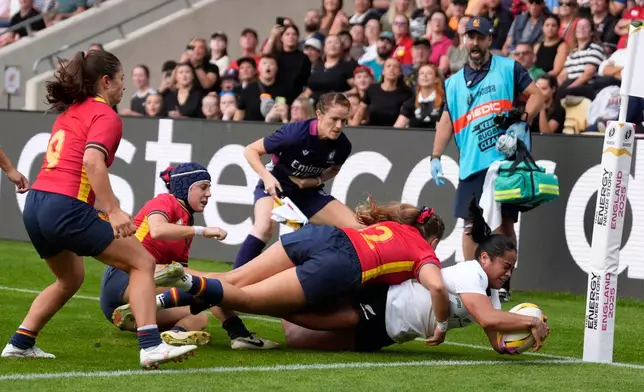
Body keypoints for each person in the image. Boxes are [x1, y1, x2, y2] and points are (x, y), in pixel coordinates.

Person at [0, 50, 200, 369]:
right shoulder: (106, 115)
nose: (124, 87)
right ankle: (150, 346)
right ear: (105, 82)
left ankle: (20, 342)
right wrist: (114, 209)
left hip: (36, 205)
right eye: (121, 80)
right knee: (142, 263)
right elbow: (92, 162)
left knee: (70, 278)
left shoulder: (70, 111)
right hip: (65, 205)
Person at [279, 198, 550, 353]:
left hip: (393, 333)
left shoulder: (492, 299)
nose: (508, 273)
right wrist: (528, 320)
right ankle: (265, 299)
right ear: (484, 258)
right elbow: (486, 318)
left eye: (512, 269)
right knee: (317, 319)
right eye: (505, 266)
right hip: (387, 304)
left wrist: (527, 333)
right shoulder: (472, 273)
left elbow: (498, 343)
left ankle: (274, 301)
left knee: (297, 338)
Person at [187, 197, 452, 346]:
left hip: (322, 236)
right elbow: (437, 287)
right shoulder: (424, 251)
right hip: (341, 264)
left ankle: (170, 281)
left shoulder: (396, 226)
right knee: (248, 298)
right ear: (434, 241)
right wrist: (440, 325)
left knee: (234, 279)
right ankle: (178, 295)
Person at [103, 163, 279, 350]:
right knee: (210, 283)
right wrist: (202, 231)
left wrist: (201, 298)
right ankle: (240, 334)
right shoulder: (165, 200)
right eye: (203, 187)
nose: (209, 194)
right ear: (185, 187)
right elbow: (157, 230)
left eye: (209, 188)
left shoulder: (185, 221)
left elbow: (183, 281)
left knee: (198, 315)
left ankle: (175, 333)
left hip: (120, 303)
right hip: (124, 277)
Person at [429, 17, 544, 302]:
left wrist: (522, 122)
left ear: (489, 40)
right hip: (470, 163)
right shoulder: (453, 82)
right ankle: (473, 284)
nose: (476, 43)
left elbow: (537, 95)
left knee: (504, 226)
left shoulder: (508, 68)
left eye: (481, 37)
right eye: (471, 37)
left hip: (503, 163)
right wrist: (435, 155)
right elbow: (446, 119)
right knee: (470, 227)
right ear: (465, 41)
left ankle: (503, 284)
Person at [233, 92, 361, 269]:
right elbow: (250, 150)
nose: (339, 126)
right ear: (319, 115)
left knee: (358, 228)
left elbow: (334, 169)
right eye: (334, 119)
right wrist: (267, 177)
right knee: (263, 227)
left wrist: (315, 181)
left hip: (308, 193)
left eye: (344, 121)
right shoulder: (294, 134)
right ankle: (230, 284)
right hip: (276, 187)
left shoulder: (343, 145)